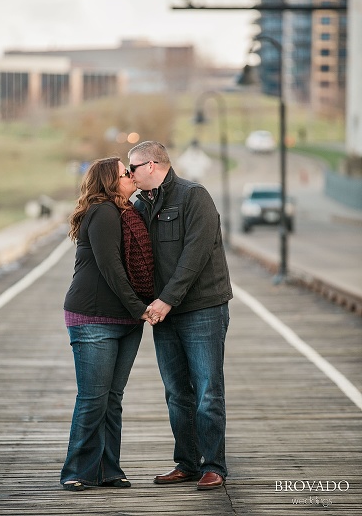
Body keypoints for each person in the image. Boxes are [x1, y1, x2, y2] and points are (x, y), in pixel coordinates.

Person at [127, 141, 233, 491]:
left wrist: (165, 301)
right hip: (164, 314)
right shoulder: (141, 204)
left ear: (152, 165)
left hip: (202, 308)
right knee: (176, 393)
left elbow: (195, 255)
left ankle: (213, 465)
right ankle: (186, 463)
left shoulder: (193, 196)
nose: (130, 175)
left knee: (207, 390)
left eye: (133, 169)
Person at [60, 157, 156, 492]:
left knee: (112, 398)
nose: (131, 176)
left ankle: (107, 469)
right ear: (108, 182)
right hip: (94, 317)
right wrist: (140, 308)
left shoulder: (128, 212)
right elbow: (110, 266)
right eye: (124, 173)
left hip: (126, 319)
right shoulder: (102, 212)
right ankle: (76, 471)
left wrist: (137, 311)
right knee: (93, 398)